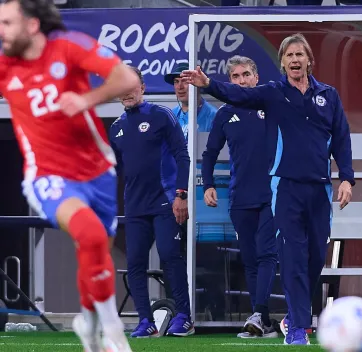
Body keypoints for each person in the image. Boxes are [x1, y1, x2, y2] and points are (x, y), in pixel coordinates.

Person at [181, 33, 354, 345]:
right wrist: (208, 84)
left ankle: (291, 317)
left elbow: (341, 137)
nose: (295, 60)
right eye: (289, 56)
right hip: (284, 188)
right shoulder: (273, 94)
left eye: (300, 55)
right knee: (292, 256)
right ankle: (298, 327)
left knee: (315, 258)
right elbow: (239, 95)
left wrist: (347, 178)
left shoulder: (328, 95)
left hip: (319, 190)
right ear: (283, 63)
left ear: (309, 61)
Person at [0, 0, 141, 351]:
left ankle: (88, 322)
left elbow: (126, 78)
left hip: (98, 171)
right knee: (90, 234)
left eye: (7, 23)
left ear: (32, 25)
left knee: (95, 252)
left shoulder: (68, 46)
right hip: (45, 175)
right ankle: (114, 334)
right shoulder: (5, 66)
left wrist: (87, 99)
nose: (1, 31)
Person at [109, 66, 195, 338]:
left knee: (170, 255)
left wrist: (181, 195)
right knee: (135, 262)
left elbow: (183, 156)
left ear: (142, 88)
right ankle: (146, 321)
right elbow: (117, 169)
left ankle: (184, 316)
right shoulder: (116, 128)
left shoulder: (162, 115)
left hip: (165, 203)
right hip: (134, 207)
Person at [201, 55, 277, 339]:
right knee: (251, 259)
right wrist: (208, 184)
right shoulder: (224, 114)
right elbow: (209, 154)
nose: (242, 80)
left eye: (246, 74)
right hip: (240, 197)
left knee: (267, 253)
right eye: (236, 76)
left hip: (272, 194)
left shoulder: (270, 105)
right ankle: (262, 319)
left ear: (256, 77)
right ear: (230, 81)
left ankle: (260, 313)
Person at [164, 62, 217, 141]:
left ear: (197, 84)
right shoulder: (171, 115)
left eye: (185, 81)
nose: (180, 87)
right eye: (176, 81)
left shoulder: (213, 116)